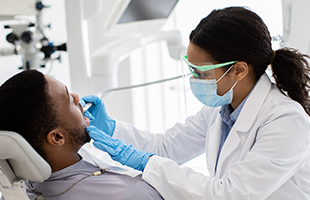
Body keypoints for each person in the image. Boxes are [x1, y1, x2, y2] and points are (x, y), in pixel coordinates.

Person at [81, 6, 310, 200]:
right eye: (192, 70)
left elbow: (229, 193)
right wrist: (111, 129)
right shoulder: (221, 110)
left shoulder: (287, 121)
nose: (194, 80)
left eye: (201, 73)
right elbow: (165, 147)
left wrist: (147, 163)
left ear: (239, 70)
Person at [0, 70, 163, 200]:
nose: (77, 97)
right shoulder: (132, 194)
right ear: (57, 138)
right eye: (69, 99)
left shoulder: (24, 187)